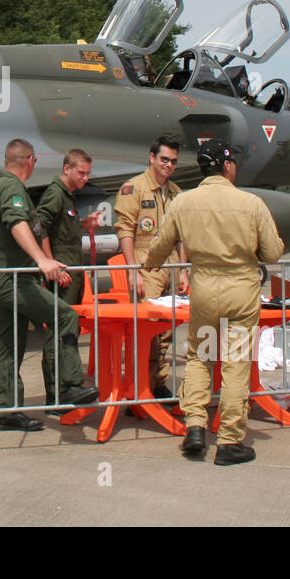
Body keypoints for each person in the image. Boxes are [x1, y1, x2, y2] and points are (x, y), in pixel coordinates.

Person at [143, 139, 284, 465]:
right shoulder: (251, 203)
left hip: (205, 292)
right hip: (241, 293)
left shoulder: (183, 202)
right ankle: (230, 440)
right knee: (235, 362)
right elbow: (273, 252)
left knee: (200, 357)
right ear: (227, 166)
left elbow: (160, 246)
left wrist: (147, 265)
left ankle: (194, 427)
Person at [0, 138, 98, 431]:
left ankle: (7, 411)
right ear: (29, 159)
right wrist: (42, 261)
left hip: (6, 276)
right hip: (15, 280)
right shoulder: (11, 188)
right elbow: (18, 223)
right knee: (66, 316)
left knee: (9, 345)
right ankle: (69, 384)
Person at [115, 134, 186, 397]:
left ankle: (156, 385)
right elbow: (125, 230)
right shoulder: (133, 189)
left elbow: (179, 235)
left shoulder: (176, 193)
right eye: (164, 159)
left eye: (173, 161)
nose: (168, 165)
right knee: (146, 330)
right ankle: (139, 387)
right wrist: (133, 271)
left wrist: (185, 271)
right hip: (147, 268)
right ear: (152, 158)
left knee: (166, 330)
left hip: (172, 267)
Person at [36, 148, 104, 394]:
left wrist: (84, 224)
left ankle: (67, 389)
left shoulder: (67, 196)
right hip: (61, 278)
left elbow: (60, 229)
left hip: (71, 275)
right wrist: (50, 263)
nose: (85, 178)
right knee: (58, 333)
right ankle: (56, 394)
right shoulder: (56, 194)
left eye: (87, 174)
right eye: (81, 173)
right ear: (66, 169)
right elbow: (39, 225)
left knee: (67, 332)